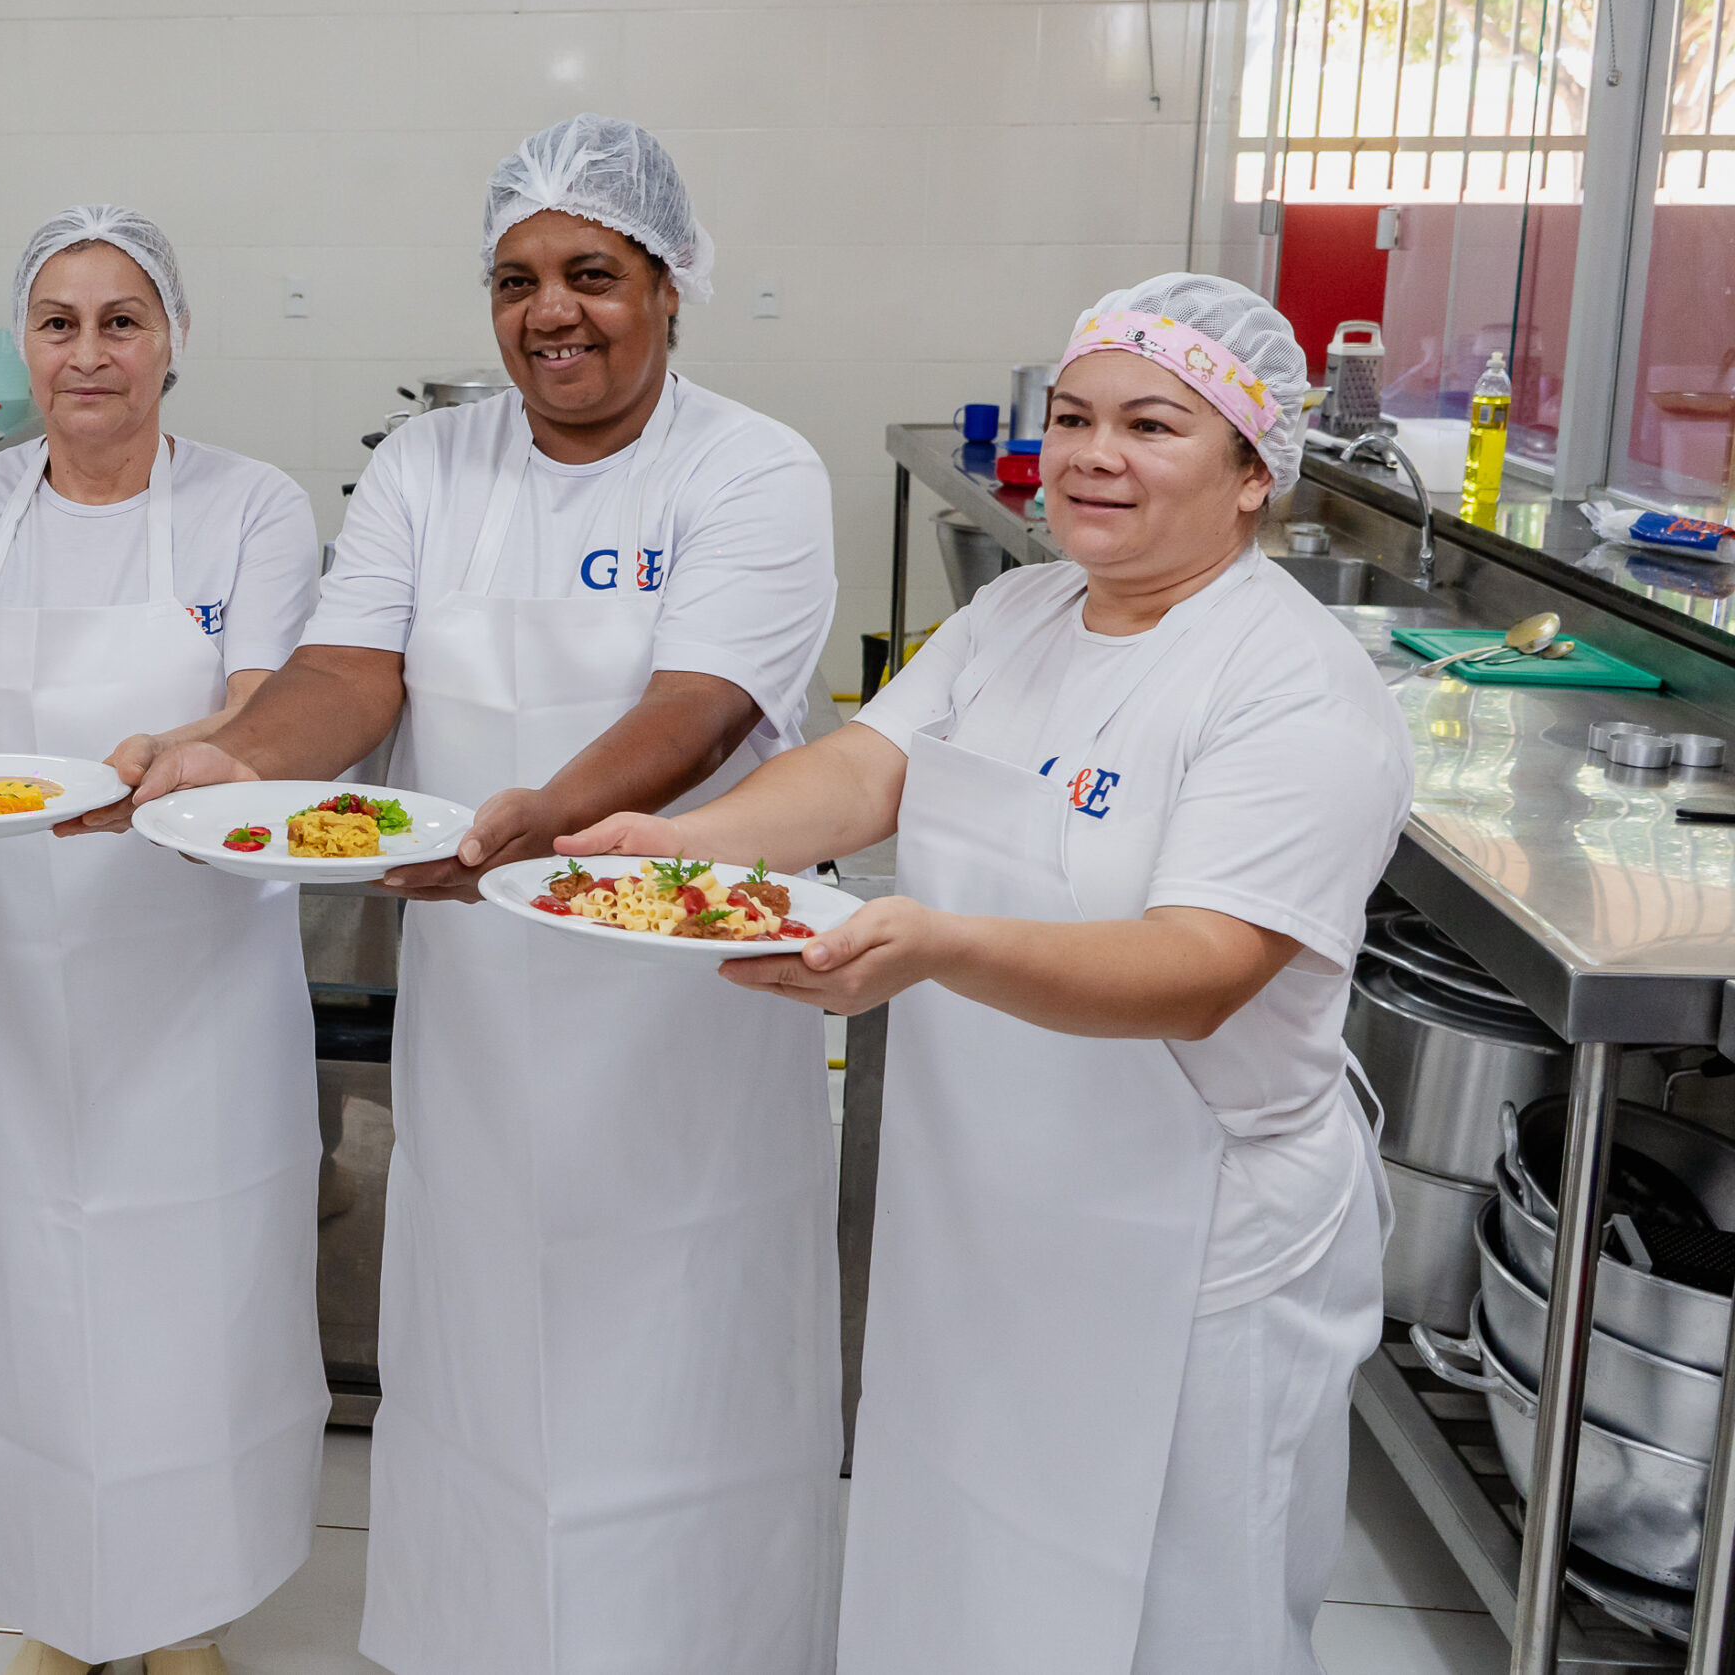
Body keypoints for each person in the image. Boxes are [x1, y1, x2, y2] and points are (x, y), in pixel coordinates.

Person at [565, 274, 1414, 1675]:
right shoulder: (1019, 615)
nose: (1094, 452)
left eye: (1153, 424)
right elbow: (863, 770)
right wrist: (679, 837)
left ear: (1255, 470)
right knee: (963, 1564)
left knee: (1172, 1613)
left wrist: (936, 943)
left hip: (1192, 1239)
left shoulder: (1291, 686)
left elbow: (1200, 968)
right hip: (991, 1207)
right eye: (1074, 416)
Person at [123, 117, 844, 1674]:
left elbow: (703, 705)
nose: (551, 312)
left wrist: (548, 817)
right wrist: (229, 759)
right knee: (488, 1327)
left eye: (592, 272)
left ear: (669, 283)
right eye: (517, 279)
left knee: (670, 1343)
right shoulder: (432, 461)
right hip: (489, 994)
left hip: (682, 1000)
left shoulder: (753, 468)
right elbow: (348, 668)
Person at [0, 205, 324, 1675]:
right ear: (24, 345)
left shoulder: (252, 506)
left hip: (197, 954)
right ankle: (60, 1596)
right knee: (28, 1270)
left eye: (121, 320)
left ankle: (185, 1608)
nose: (88, 352)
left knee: (196, 1276)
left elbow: (267, 704)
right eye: (59, 322)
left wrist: (183, 749)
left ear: (173, 338)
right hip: (12, 964)